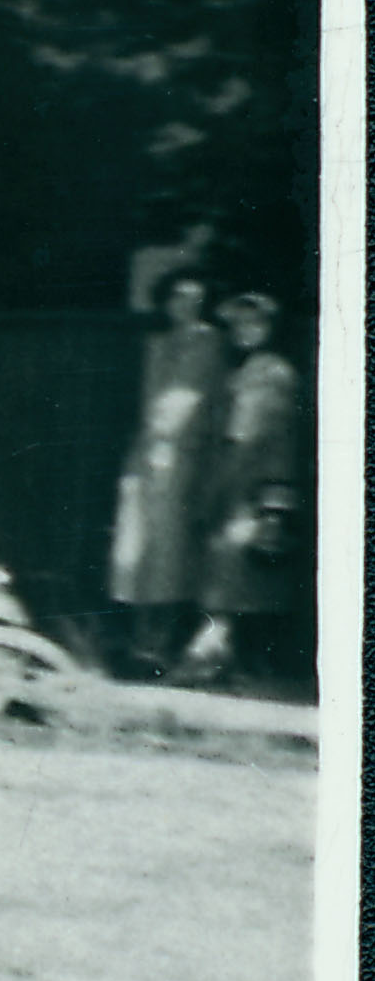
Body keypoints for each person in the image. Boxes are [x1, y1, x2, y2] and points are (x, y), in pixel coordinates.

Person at [105, 261, 229, 678]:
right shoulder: (154, 344)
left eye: (195, 298)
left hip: (184, 460)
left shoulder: (209, 342)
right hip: (144, 455)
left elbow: (193, 408)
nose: (186, 304)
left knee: (169, 555)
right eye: (179, 296)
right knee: (135, 547)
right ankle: (139, 646)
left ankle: (159, 646)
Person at [179, 292, 307, 691]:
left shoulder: (267, 374)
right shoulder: (244, 370)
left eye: (254, 323)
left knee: (231, 573)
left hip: (254, 487)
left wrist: (213, 493)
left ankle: (204, 658)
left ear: (270, 328)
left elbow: (243, 440)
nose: (243, 331)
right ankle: (224, 663)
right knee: (234, 577)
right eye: (237, 324)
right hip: (252, 485)